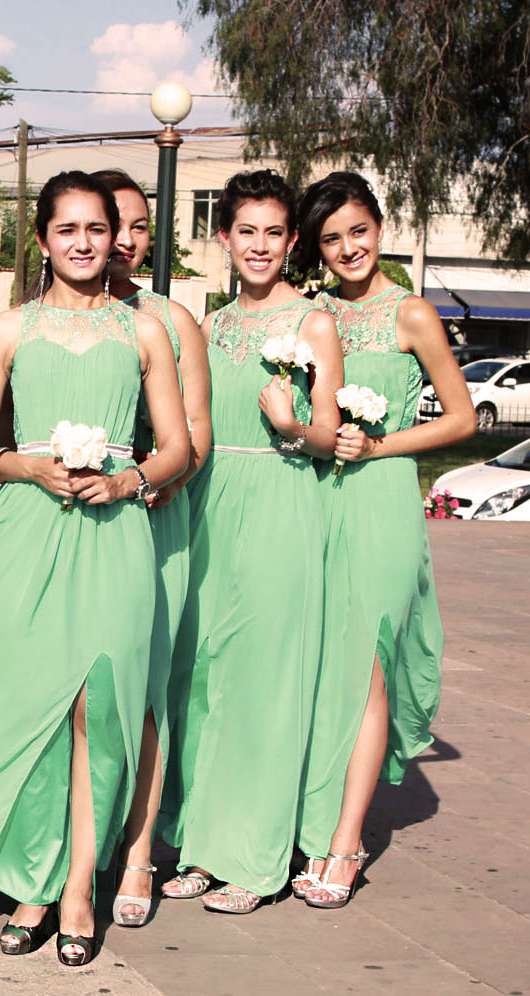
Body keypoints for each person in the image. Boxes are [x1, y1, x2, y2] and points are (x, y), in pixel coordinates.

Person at [0, 171, 189, 963]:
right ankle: (34, 879)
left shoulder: (144, 330)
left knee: (101, 707)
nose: (84, 243)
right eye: (67, 229)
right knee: (35, 705)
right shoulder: (10, 328)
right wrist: (24, 467)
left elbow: (178, 447)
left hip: (116, 532)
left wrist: (128, 480)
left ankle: (79, 886)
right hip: (26, 529)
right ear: (42, 238)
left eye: (98, 228)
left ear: (114, 236)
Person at [161, 169, 344, 914]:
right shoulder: (211, 325)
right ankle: (200, 845)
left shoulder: (315, 324)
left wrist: (291, 424)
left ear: (293, 240)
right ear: (225, 238)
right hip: (212, 503)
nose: (260, 245)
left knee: (265, 681)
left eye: (274, 232)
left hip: (279, 497)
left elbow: (330, 437)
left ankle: (256, 859)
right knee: (203, 675)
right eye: (247, 231)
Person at [292, 172, 471, 907]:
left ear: (380, 227)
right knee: (318, 666)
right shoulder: (309, 315)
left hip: (382, 501)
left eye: (358, 231)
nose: (348, 248)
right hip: (315, 500)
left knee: (367, 664)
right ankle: (304, 821)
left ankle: (345, 842)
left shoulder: (413, 312)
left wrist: (382, 443)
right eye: (331, 238)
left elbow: (462, 419)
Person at [92, 168, 213, 929]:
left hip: (152, 513)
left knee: (143, 685)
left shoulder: (171, 320)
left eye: (141, 226)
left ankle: (137, 850)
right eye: (116, 224)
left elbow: (196, 434)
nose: (128, 240)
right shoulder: (43, 316)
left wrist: (161, 476)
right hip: (71, 520)